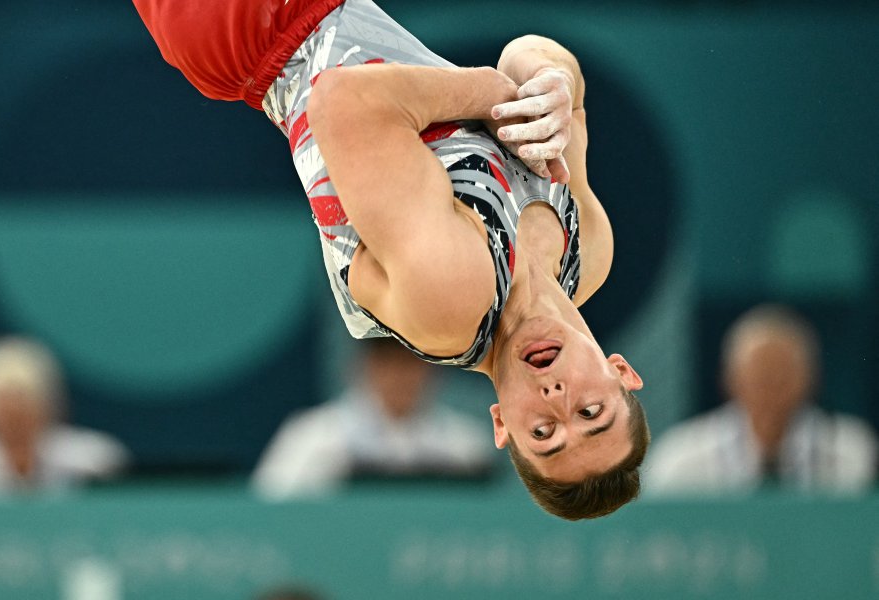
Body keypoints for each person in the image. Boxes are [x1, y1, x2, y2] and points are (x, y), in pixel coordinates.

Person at [132, 0, 650, 520]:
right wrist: (552, 81)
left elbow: (342, 99)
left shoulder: (451, 306)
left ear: (501, 425)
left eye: (542, 433)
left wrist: (488, 94)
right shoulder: (588, 254)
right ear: (620, 372)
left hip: (249, 28)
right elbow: (536, 63)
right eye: (590, 412)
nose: (556, 398)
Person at [645, 304, 877, 495]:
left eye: (784, 374)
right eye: (760, 376)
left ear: (811, 378)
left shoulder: (853, 451)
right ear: (729, 379)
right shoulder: (682, 459)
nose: (772, 387)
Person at [252, 337, 494, 498]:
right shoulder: (312, 437)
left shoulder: (467, 446)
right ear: (363, 365)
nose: (400, 374)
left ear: (433, 368)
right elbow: (270, 515)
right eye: (387, 360)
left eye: (412, 361)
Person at [0, 337, 130, 495]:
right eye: (3, 403)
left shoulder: (89, 458)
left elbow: (111, 459)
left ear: (47, 403)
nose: (15, 413)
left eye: (25, 400)